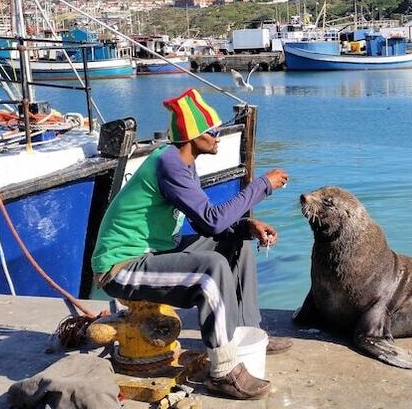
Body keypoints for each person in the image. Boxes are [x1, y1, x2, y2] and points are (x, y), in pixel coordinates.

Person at [91, 88, 290, 400]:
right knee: (211, 268)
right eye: (211, 130)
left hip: (152, 253)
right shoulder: (168, 162)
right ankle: (223, 372)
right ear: (193, 136)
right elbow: (211, 220)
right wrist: (262, 186)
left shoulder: (184, 164)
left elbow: (203, 222)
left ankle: (248, 334)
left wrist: (245, 226)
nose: (218, 135)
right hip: (121, 267)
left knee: (238, 244)